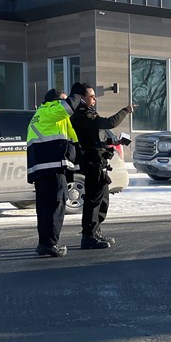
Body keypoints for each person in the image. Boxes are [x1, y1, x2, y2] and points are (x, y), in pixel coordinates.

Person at [69, 82, 135, 250]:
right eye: (91, 96)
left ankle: (96, 231)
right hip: (92, 162)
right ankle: (88, 236)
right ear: (81, 98)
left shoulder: (87, 113)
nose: (94, 99)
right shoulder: (82, 114)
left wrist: (112, 142)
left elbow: (94, 137)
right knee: (93, 199)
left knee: (103, 199)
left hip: (99, 161)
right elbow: (110, 122)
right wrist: (125, 110)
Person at [26, 88, 82, 257]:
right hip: (52, 167)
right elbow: (68, 106)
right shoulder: (52, 110)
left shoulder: (41, 114)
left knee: (45, 208)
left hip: (42, 168)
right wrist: (78, 93)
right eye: (62, 100)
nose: (65, 102)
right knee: (55, 206)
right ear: (56, 101)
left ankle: (44, 243)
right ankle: (50, 244)